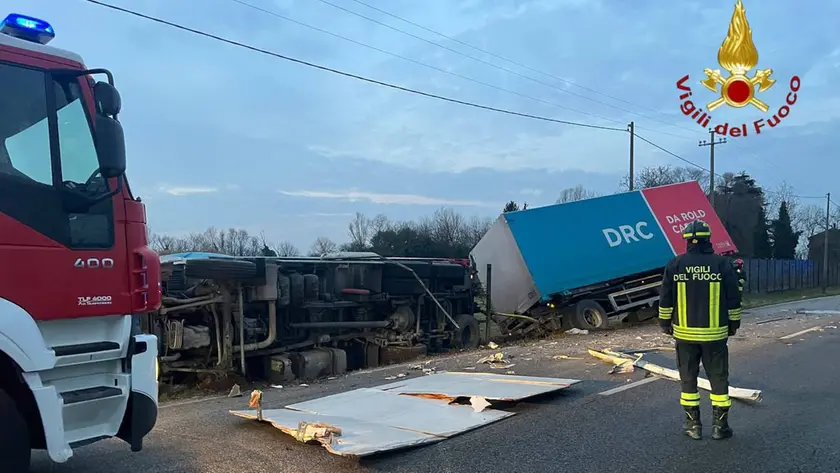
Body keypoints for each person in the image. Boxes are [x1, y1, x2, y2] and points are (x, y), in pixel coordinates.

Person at [657, 219, 742, 440]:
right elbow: (734, 297)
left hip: (684, 335)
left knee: (688, 379)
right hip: (715, 335)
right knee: (719, 379)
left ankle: (693, 426)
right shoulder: (722, 264)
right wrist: (733, 324)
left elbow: (665, 298)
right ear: (708, 239)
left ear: (686, 241)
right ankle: (719, 427)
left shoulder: (675, 265)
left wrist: (665, 323)